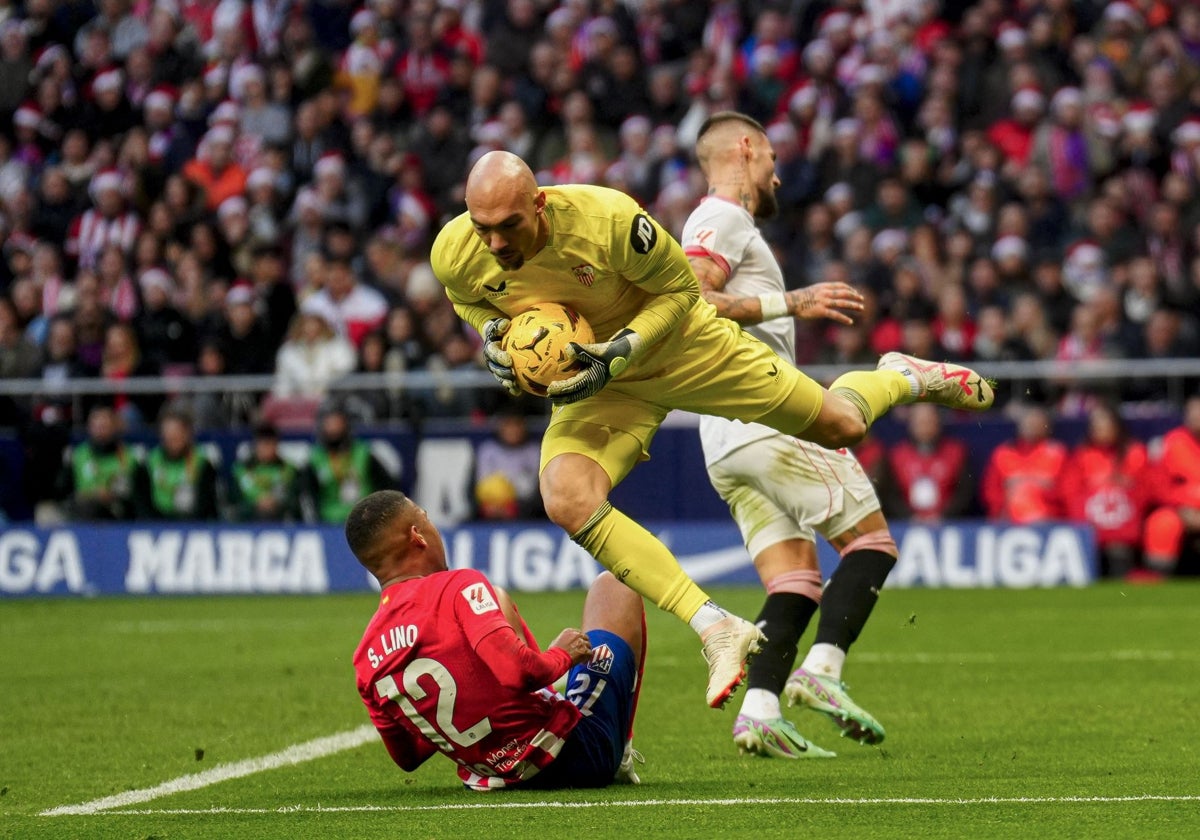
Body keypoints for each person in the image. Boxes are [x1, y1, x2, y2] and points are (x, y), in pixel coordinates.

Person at [431, 149, 995, 709]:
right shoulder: (455, 253)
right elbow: (469, 301)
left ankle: (899, 376)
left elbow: (681, 293)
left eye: (510, 226)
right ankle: (715, 626)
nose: (497, 243)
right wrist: (492, 336)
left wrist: (624, 348)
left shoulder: (610, 222)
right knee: (566, 497)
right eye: (484, 229)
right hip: (602, 385)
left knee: (840, 424)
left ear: (539, 203)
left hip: (684, 349)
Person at [682, 111, 903, 758]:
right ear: (745, 150)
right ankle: (823, 671)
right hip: (765, 410)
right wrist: (792, 302)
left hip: (723, 439)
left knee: (796, 582)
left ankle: (759, 708)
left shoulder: (724, 224)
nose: (778, 172)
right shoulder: (721, 218)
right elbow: (694, 300)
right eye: (773, 157)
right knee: (872, 542)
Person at [349, 490, 646, 790]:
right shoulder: (458, 586)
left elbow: (407, 756)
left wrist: (465, 712)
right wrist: (562, 654)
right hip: (572, 757)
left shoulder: (365, 657)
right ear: (418, 536)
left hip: (488, 777)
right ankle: (620, 753)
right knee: (615, 584)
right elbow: (518, 673)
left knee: (498, 598)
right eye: (426, 518)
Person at [299, 405, 394, 524]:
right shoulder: (316, 458)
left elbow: (387, 484)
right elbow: (308, 492)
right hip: (329, 521)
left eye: (337, 424)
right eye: (329, 424)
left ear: (346, 426)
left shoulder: (362, 453)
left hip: (364, 519)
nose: (333, 429)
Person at [882, 403, 974, 523]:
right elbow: (890, 495)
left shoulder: (955, 452)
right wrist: (909, 517)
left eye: (929, 421)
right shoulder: (897, 455)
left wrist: (944, 516)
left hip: (948, 523)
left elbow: (965, 493)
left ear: (938, 422)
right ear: (911, 425)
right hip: (906, 525)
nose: (925, 427)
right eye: (920, 422)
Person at [1143, 395, 1200, 576]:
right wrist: (1182, 508)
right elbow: (1158, 486)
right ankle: (1158, 577)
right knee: (1163, 522)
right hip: (1181, 511)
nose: (1196, 416)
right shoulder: (1171, 442)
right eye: (1192, 411)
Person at [132, 406, 221, 521]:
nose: (172, 439)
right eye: (168, 434)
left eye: (176, 434)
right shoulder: (148, 463)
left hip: (193, 524)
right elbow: (141, 503)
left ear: (188, 434)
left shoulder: (203, 464)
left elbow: (207, 505)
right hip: (156, 525)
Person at [981, 406, 1067, 524]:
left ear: (1047, 427)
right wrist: (1000, 510)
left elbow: (1066, 490)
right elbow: (991, 490)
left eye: (1037, 423)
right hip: (1008, 521)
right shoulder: (1003, 453)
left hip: (1048, 521)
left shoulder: (1058, 453)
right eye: (1029, 422)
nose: (1032, 427)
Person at [57, 404, 136, 521]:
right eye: (97, 425)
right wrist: (86, 496)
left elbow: (136, 495)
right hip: (81, 512)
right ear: (89, 427)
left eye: (105, 425)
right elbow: (61, 490)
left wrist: (111, 495)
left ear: (115, 426)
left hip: (118, 513)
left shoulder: (130, 456)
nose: (101, 430)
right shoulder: (77, 455)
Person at [230, 420, 301, 522]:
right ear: (256, 445)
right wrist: (259, 499)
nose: (266, 448)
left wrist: (272, 500)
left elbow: (285, 489)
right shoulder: (242, 468)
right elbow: (243, 490)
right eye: (263, 444)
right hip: (249, 514)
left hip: (279, 513)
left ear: (276, 445)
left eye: (270, 444)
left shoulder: (287, 468)